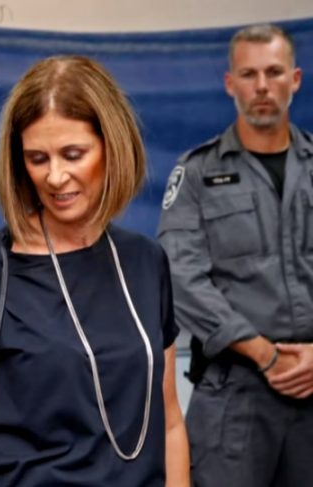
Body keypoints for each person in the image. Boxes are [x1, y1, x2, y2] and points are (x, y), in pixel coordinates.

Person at [0, 56, 189, 487]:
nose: (56, 176)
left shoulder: (145, 261)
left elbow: (169, 420)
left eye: (73, 155)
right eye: (37, 158)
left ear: (113, 147)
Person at [157, 23, 313, 487]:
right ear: (230, 83)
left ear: (295, 79)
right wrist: (264, 353)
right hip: (236, 392)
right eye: (249, 74)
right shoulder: (197, 174)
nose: (262, 86)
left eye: (274, 72)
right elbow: (180, 276)